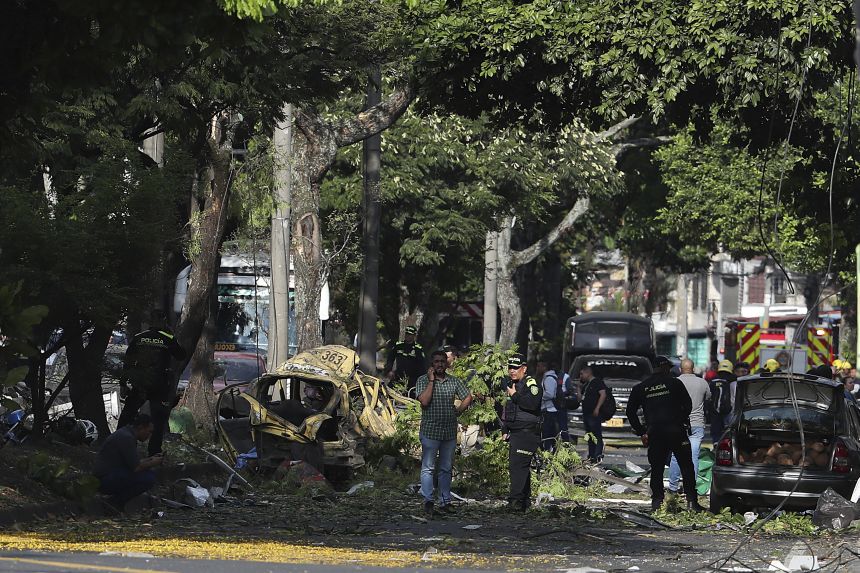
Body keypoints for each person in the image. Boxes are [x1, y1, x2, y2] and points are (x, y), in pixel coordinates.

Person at [626, 355, 703, 512]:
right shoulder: (674, 383)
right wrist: (679, 420)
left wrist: (642, 431)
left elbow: (630, 412)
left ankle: (657, 502)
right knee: (687, 466)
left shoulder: (641, 387)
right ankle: (692, 502)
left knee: (657, 468)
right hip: (676, 431)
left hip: (655, 433)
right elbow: (688, 405)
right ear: (665, 367)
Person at [117, 311, 187, 456]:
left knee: (127, 416)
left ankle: (119, 445)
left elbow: (128, 362)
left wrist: (123, 383)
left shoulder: (139, 338)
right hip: (159, 386)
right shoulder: (167, 338)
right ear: (163, 322)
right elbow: (181, 355)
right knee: (158, 420)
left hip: (140, 383)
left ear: (149, 323)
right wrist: (171, 335)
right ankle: (154, 452)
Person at [416, 350, 473, 516]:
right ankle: (428, 500)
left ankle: (445, 501)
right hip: (430, 431)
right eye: (436, 361)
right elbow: (424, 401)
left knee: (446, 468)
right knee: (428, 468)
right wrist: (432, 381)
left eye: (442, 361)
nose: (440, 364)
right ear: (431, 364)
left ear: (446, 363)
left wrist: (459, 411)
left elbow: (467, 396)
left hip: (448, 431)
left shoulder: (453, 381)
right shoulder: (422, 380)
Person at [93, 414, 163, 510]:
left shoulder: (127, 434)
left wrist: (150, 459)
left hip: (112, 474)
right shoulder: (127, 438)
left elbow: (133, 462)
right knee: (148, 478)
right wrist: (153, 463)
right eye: (149, 431)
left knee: (148, 474)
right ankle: (115, 502)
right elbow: (136, 467)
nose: (149, 435)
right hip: (105, 479)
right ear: (141, 427)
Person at [500, 353, 542, 511]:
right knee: (519, 467)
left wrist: (515, 395)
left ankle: (515, 502)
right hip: (516, 432)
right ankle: (523, 502)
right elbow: (507, 408)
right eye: (510, 367)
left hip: (527, 433)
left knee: (517, 467)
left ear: (524, 369)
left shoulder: (530, 383)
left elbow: (532, 403)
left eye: (516, 368)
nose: (512, 370)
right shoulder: (511, 383)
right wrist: (505, 428)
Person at [667, 359, 710, 496]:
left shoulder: (674, 382)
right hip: (697, 424)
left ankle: (673, 487)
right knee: (693, 456)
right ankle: (690, 488)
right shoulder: (702, 383)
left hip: (678, 424)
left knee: (675, 456)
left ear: (680, 369)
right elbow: (708, 398)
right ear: (693, 368)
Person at [384, 326, 425, 394]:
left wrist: (421, 379)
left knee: (411, 396)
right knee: (388, 392)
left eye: (410, 334)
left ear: (414, 335)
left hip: (413, 378)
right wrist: (389, 370)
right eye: (407, 334)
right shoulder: (398, 345)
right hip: (398, 376)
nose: (408, 336)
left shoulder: (418, 349)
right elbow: (390, 358)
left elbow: (422, 365)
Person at [579, 366, 607, 463]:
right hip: (586, 413)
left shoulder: (597, 382)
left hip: (593, 413)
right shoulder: (586, 385)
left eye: (582, 374)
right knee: (590, 435)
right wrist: (578, 390)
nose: (581, 376)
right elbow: (581, 398)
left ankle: (597, 454)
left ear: (588, 373)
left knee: (596, 435)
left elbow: (603, 394)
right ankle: (591, 455)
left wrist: (597, 408)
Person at [709, 359, 736, 445]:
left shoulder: (712, 382)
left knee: (716, 434)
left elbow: (708, 397)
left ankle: (716, 444)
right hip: (727, 412)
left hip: (714, 413)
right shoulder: (731, 382)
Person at [537, 358, 559, 450]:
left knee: (547, 434)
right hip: (547, 410)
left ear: (544, 367)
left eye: (539, 366)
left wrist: (538, 396)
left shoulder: (549, 378)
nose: (537, 368)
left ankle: (548, 452)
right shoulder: (546, 377)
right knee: (550, 434)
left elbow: (550, 394)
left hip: (549, 410)